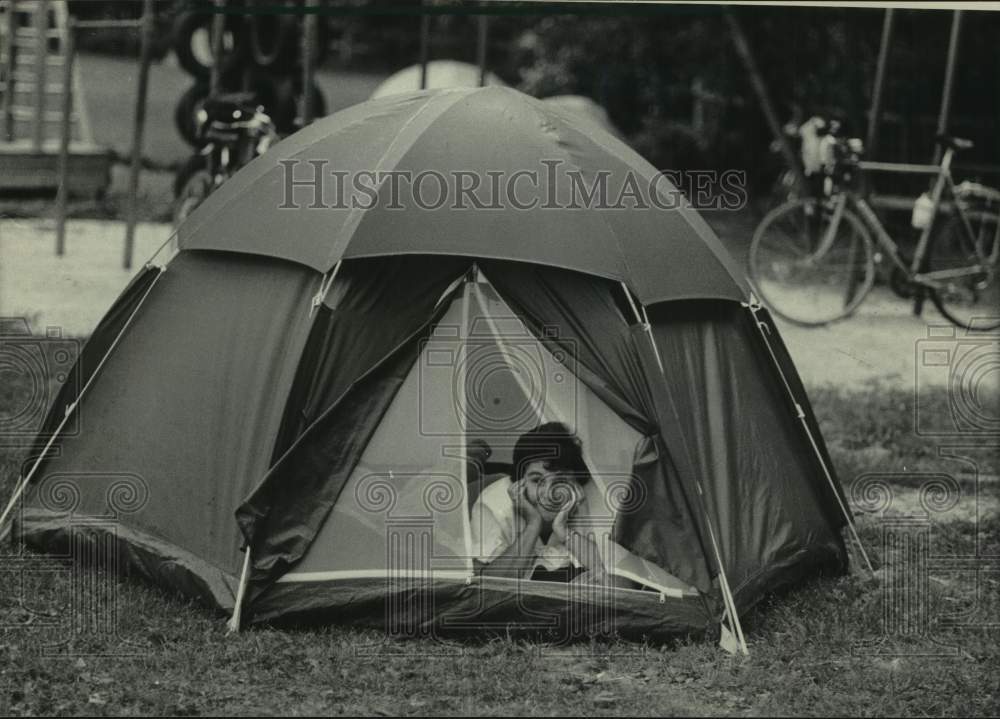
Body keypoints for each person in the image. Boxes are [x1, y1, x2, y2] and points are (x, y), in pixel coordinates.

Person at [470, 421, 610, 584]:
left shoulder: (590, 497)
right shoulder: (493, 503)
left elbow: (612, 579)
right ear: (520, 483)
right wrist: (533, 525)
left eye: (561, 480)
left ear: (576, 483)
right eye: (536, 480)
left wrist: (563, 530)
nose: (547, 493)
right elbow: (485, 587)